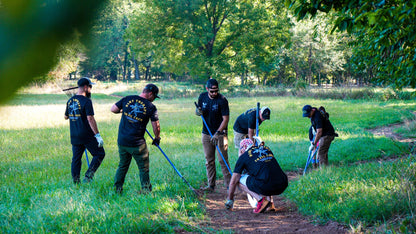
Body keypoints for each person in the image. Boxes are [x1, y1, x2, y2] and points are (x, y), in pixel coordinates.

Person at [111, 84, 161, 194]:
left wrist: (124, 111)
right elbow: (155, 125)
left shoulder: (127, 98)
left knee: (122, 165)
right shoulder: (151, 106)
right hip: (137, 143)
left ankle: (117, 189)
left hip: (122, 141)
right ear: (150, 94)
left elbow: (113, 109)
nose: (154, 100)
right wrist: (157, 138)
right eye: (154, 97)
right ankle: (146, 190)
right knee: (143, 167)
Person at [225, 137, 288, 213]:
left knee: (239, 180)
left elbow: (233, 182)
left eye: (240, 149)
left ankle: (260, 199)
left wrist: (230, 200)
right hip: (282, 183)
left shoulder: (244, 156)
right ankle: (270, 204)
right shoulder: (266, 149)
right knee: (265, 173)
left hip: (266, 185)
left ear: (244, 147)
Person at [64, 77, 105, 184]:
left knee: (76, 159)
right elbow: (90, 118)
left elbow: (65, 117)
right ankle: (88, 177)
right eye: (90, 87)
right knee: (100, 154)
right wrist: (97, 135)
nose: (91, 89)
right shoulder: (87, 101)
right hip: (86, 135)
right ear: (86, 87)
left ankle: (76, 182)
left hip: (74, 134)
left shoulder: (70, 100)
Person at [195, 78, 231, 192]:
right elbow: (198, 111)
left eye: (216, 91)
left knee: (223, 160)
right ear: (207, 89)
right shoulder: (202, 97)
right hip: (206, 133)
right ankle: (211, 186)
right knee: (209, 160)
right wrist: (198, 111)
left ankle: (230, 186)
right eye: (212, 91)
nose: (214, 93)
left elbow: (225, 119)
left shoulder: (222, 100)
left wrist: (218, 133)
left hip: (220, 134)